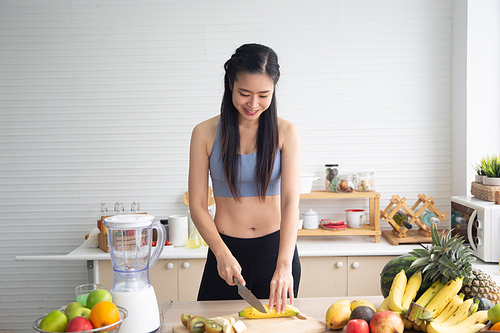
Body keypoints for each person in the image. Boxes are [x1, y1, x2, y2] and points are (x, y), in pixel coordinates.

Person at [188, 43, 301, 314]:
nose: (253, 104)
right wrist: (221, 253)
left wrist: (284, 265)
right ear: (230, 84)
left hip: (276, 254)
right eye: (244, 93)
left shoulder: (286, 132)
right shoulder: (204, 133)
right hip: (224, 253)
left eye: (264, 95)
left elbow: (289, 203)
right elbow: (197, 205)